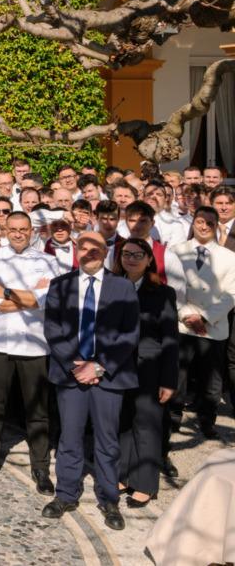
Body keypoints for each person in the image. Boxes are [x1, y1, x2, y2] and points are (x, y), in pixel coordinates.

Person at [42, 231, 139, 531]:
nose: (89, 252)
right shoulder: (60, 285)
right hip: (71, 374)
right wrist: (76, 365)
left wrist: (98, 366)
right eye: (83, 247)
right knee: (69, 437)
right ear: (77, 250)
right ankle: (67, 494)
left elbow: (130, 333)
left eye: (95, 247)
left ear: (105, 250)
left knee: (107, 441)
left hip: (108, 375)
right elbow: (53, 329)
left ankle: (109, 499)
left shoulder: (123, 287)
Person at [0, 212, 61, 494]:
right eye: (13, 229)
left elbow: (51, 300)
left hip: (35, 345)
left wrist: (6, 292)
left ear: (31, 230)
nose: (19, 234)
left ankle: (39, 466)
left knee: (37, 411)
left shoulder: (48, 261)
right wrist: (30, 298)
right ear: (5, 230)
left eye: (24, 229)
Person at [114, 237, 178, 508]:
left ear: (150, 259)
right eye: (126, 254)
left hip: (149, 367)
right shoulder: (111, 287)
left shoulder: (163, 293)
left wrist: (168, 380)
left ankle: (146, 484)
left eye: (138, 255)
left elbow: (171, 339)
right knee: (123, 422)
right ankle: (124, 474)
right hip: (116, 365)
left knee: (147, 425)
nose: (131, 259)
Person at [165, 205, 235, 443]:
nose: (204, 227)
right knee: (178, 377)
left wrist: (203, 317)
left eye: (210, 223)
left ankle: (207, 421)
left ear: (216, 227)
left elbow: (231, 295)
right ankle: (173, 419)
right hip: (181, 324)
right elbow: (168, 290)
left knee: (211, 381)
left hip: (212, 326)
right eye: (199, 222)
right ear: (192, 223)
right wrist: (187, 315)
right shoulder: (174, 251)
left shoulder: (229, 256)